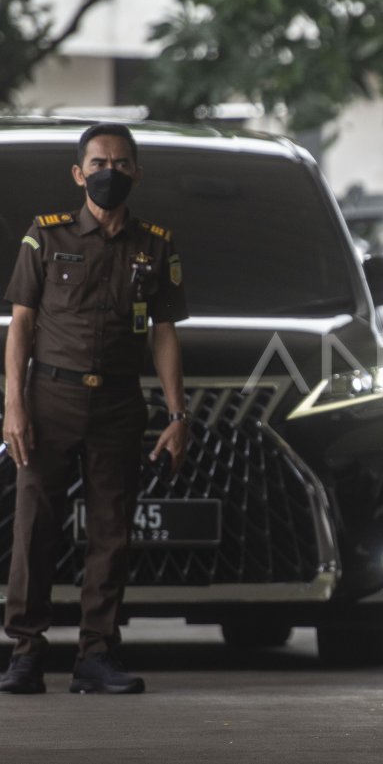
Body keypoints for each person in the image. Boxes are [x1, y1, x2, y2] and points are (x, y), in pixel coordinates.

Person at [0, 123, 189, 695]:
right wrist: (13, 405)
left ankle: (96, 655)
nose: (111, 171)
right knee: (35, 527)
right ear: (79, 174)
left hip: (118, 401)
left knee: (112, 531)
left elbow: (164, 333)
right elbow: (22, 324)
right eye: (100, 162)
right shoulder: (46, 236)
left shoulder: (155, 244)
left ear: (136, 172)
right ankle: (27, 652)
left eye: (122, 163)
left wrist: (178, 417)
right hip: (50, 398)